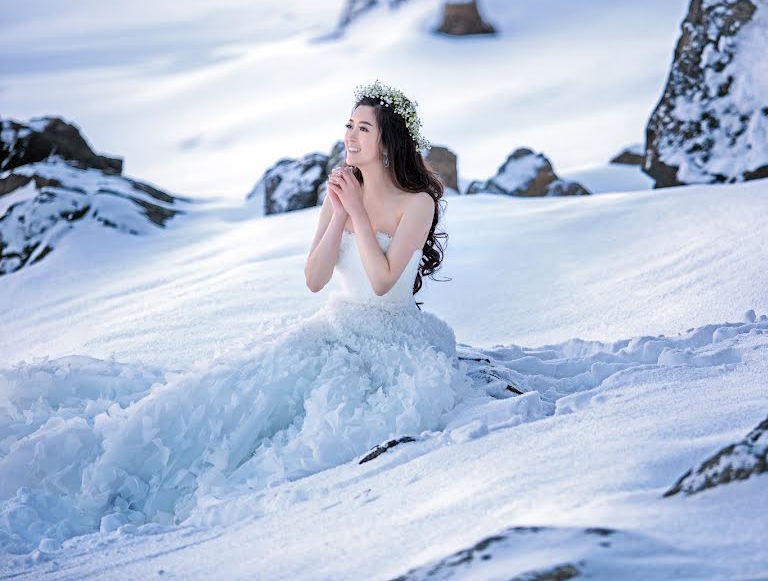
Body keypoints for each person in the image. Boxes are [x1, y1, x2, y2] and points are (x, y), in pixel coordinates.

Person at [0, 80, 477, 553]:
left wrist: (356, 208)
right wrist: (338, 214)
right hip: (336, 325)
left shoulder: (418, 203)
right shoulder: (340, 194)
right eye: (348, 125)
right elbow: (314, 279)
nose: (350, 136)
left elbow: (382, 281)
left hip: (393, 338)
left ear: (388, 140)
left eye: (363, 128)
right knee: (248, 396)